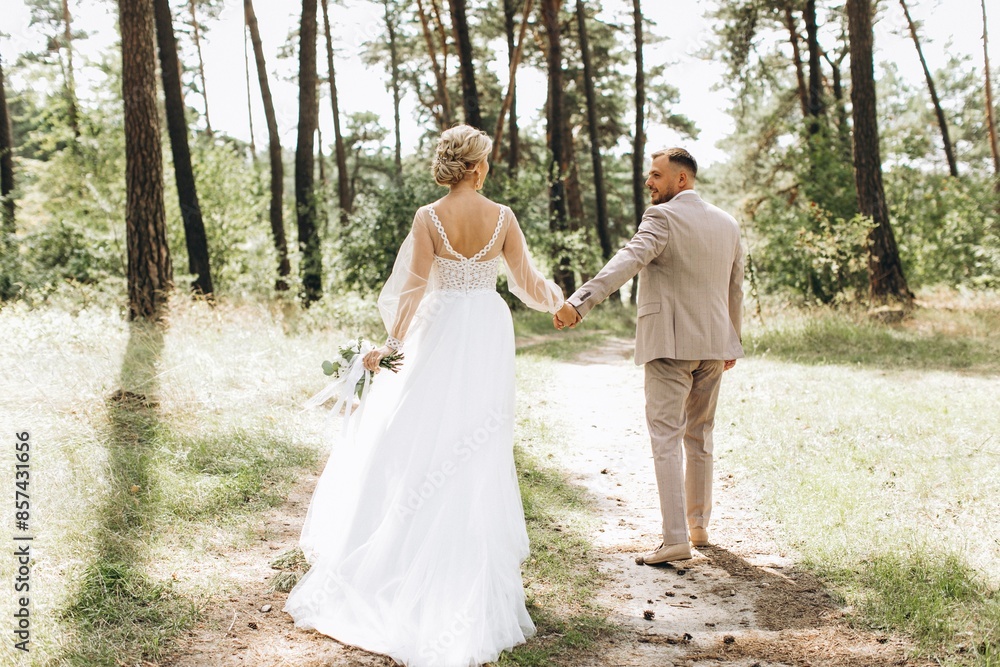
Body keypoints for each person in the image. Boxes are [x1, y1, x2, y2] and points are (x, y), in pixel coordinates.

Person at [283, 125, 565, 666]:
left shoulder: (429, 216)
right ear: (477, 167)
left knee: (417, 430)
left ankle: (400, 543)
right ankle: (465, 551)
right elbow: (526, 282)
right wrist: (560, 302)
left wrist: (390, 346)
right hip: (486, 328)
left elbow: (412, 290)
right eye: (487, 160)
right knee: (478, 436)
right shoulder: (503, 216)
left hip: (438, 327)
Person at [553, 147, 744, 565]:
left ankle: (675, 539)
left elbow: (628, 260)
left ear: (682, 179)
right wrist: (732, 340)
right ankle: (698, 527)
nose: (648, 182)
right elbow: (735, 288)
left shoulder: (661, 217)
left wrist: (579, 302)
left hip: (670, 346)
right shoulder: (728, 223)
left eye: (657, 175)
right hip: (714, 345)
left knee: (666, 438)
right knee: (700, 435)